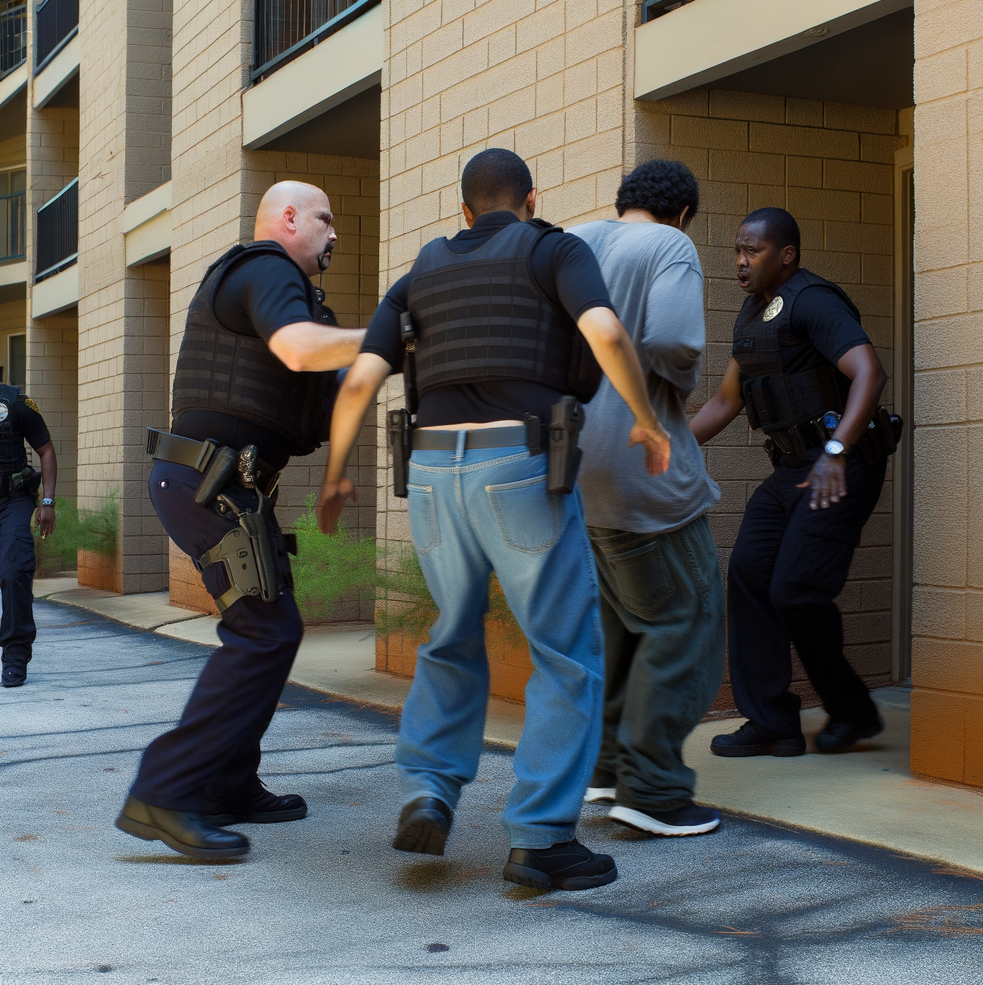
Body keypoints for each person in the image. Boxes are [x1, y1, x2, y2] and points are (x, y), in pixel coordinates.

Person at [317, 148, 671, 891]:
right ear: (531, 199)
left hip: (431, 473)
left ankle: (430, 787)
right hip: (519, 468)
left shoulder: (422, 270)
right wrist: (645, 420)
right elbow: (604, 332)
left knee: (451, 633)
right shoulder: (555, 249)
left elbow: (360, 380)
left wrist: (335, 473)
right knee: (565, 653)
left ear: (465, 211)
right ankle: (541, 838)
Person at [116, 181, 365, 859]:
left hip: (230, 487)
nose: (334, 234)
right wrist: (388, 333)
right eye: (324, 218)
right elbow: (299, 348)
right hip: (206, 481)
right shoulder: (263, 268)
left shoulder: (303, 299)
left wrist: (339, 470)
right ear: (286, 218)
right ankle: (162, 792)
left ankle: (229, 783)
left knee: (269, 629)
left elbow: (341, 384)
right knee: (263, 630)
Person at [689, 207, 891, 758]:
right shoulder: (752, 315)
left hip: (841, 466)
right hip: (791, 471)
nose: (740, 260)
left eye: (751, 250)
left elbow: (869, 371)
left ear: (787, 254)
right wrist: (665, 445)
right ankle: (772, 723)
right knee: (750, 573)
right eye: (737, 249)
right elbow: (728, 400)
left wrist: (834, 452)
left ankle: (852, 710)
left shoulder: (814, 300)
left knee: (795, 588)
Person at [568, 160, 725, 837]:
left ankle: (606, 772)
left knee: (621, 623)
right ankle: (655, 790)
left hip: (573, 469)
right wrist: (676, 389)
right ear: (684, 213)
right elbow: (674, 339)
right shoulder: (671, 246)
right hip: (642, 463)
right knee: (685, 617)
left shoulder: (575, 241)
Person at [0, 383, 57, 688]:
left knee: (14, 570)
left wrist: (47, 501)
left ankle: (15, 654)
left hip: (13, 500)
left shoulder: (16, 403)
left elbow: (46, 450)